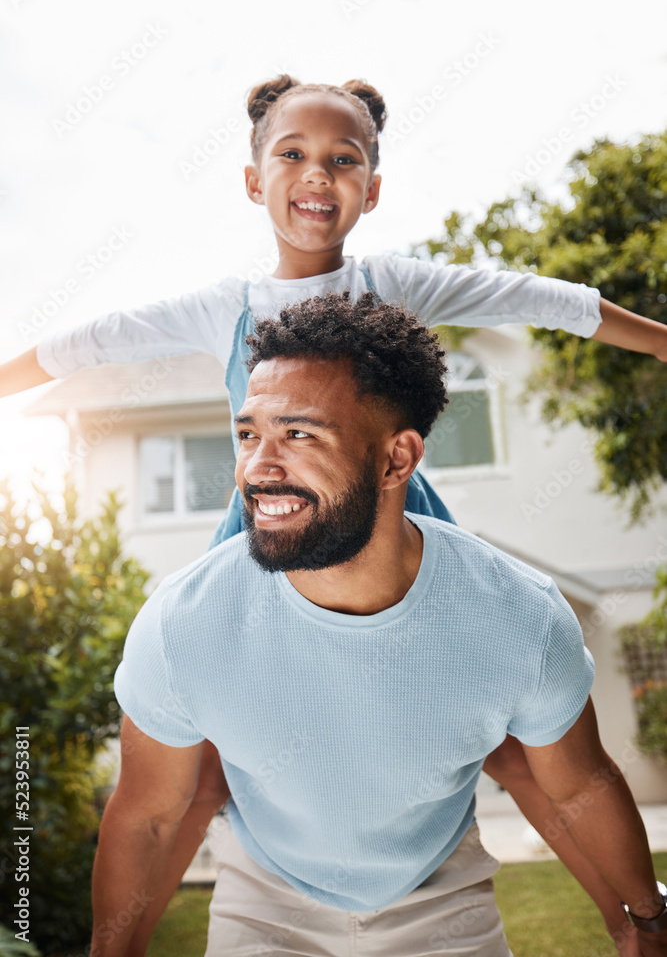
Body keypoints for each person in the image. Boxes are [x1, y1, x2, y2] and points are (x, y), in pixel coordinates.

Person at [3, 75, 667, 953]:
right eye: (292, 154)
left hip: (390, 515)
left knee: (508, 736)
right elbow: (87, 343)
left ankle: (634, 913)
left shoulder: (390, 283)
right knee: (197, 772)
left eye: (342, 159)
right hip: (269, 531)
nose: (317, 175)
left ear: (371, 189)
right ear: (252, 181)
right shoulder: (223, 308)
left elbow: (536, 298)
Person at [92, 291, 667, 957]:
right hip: (266, 903)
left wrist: (646, 917)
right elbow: (148, 814)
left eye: (299, 433)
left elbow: (576, 785)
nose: (257, 467)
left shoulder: (519, 617)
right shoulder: (182, 622)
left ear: (397, 459)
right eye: (250, 434)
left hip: (440, 895)